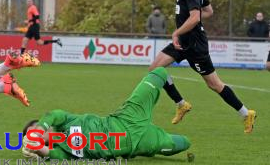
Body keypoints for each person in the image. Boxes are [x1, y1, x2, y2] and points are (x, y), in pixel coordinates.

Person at [149, 0, 256, 133]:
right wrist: (187, 25)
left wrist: (178, 30)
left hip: (195, 47)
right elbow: (208, 11)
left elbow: (196, 17)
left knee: (214, 84)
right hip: (183, 43)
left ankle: (246, 113)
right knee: (154, 69)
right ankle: (181, 104)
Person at [21, 67, 192, 160]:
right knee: (184, 143)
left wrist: (38, 130)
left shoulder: (63, 121)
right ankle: (155, 138)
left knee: (159, 73)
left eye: (36, 129)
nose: (37, 134)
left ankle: (181, 104)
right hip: (135, 144)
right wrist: (38, 149)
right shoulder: (64, 149)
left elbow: (53, 114)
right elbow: (55, 155)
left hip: (126, 117)